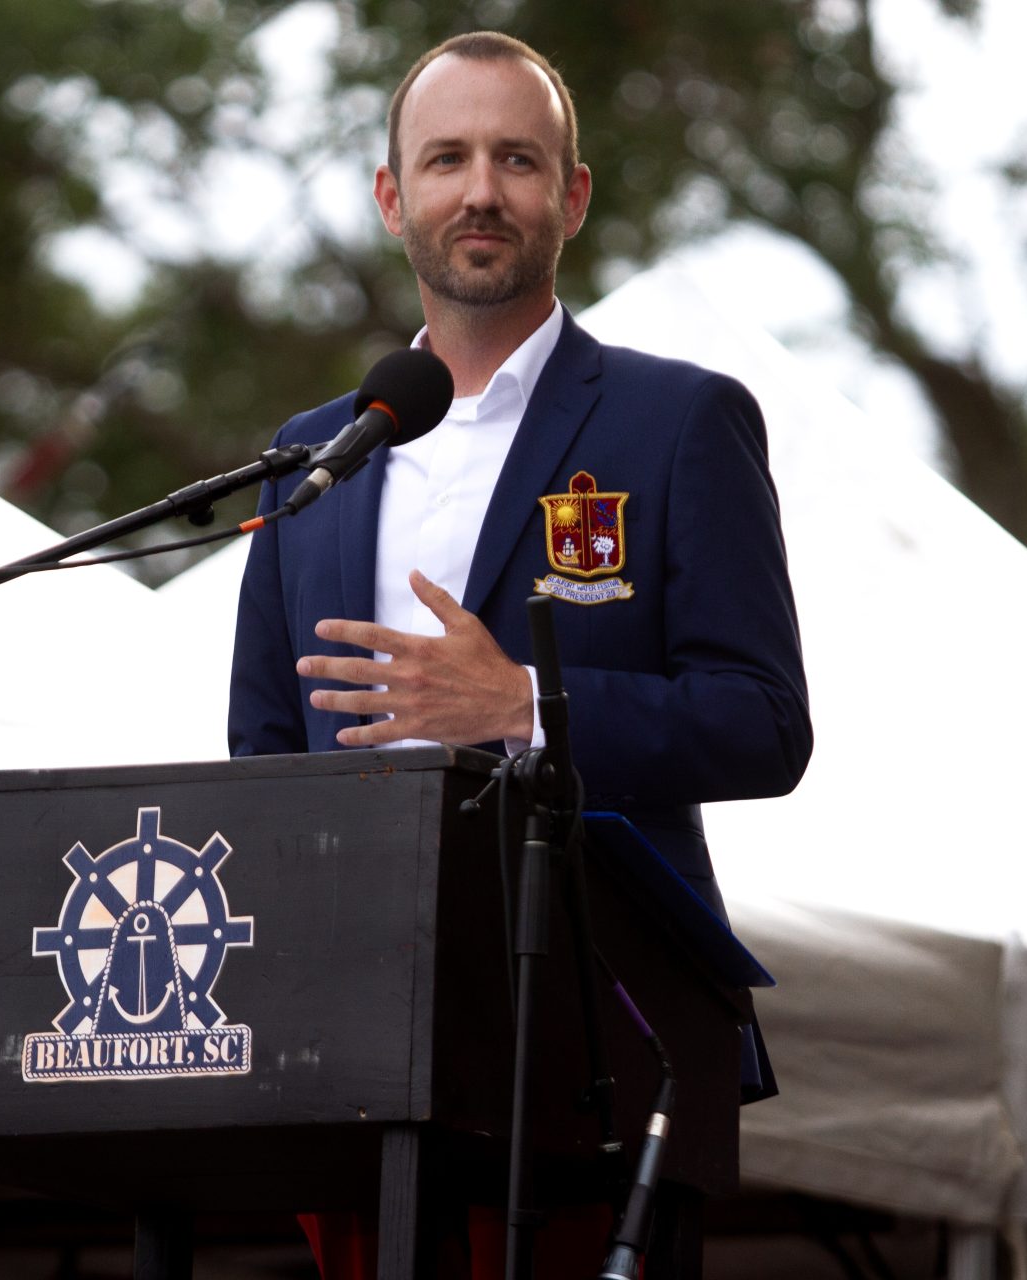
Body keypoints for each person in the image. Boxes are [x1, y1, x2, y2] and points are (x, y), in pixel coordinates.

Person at [227, 29, 811, 1278]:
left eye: (517, 159)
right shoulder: (313, 457)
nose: (481, 190)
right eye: (446, 159)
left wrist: (524, 703)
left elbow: (763, 722)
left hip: (598, 1038)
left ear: (573, 196)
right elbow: (262, 764)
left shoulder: (678, 420)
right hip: (355, 1039)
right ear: (394, 198)